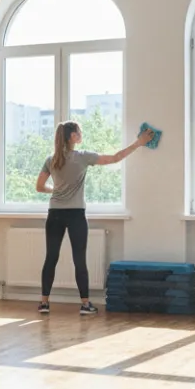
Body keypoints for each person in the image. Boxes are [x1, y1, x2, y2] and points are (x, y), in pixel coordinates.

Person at [35, 121, 153, 315]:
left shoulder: (51, 159)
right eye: (79, 132)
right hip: (75, 214)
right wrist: (138, 143)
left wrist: (54, 189)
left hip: (54, 213)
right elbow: (114, 158)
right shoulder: (83, 157)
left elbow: (39, 187)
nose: (81, 134)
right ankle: (85, 304)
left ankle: (44, 303)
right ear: (73, 136)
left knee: (51, 258)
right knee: (79, 259)